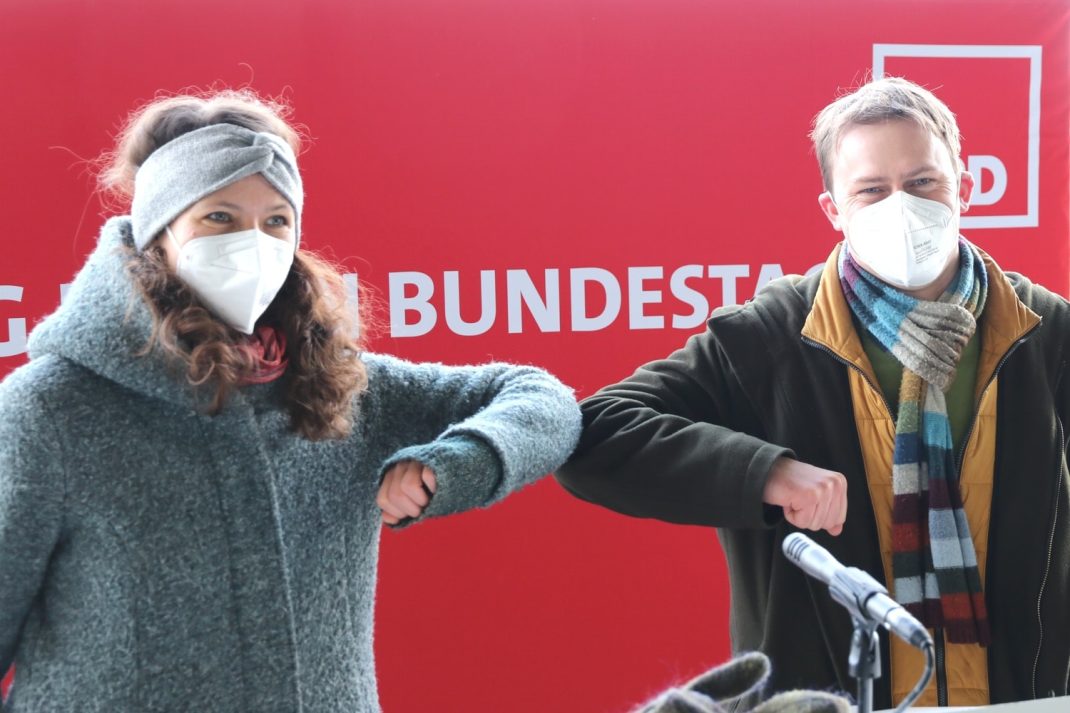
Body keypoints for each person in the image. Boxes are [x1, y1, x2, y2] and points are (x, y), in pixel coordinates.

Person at [0, 90, 581, 712]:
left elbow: (543, 400)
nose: (252, 242)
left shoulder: (335, 385)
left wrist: (460, 462)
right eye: (219, 217)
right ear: (158, 233)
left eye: (276, 220)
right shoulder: (52, 408)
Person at [556, 77, 1069, 709]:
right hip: (830, 695)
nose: (902, 206)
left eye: (923, 182)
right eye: (872, 191)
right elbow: (596, 432)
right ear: (833, 209)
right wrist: (767, 474)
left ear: (963, 185)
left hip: (1020, 696)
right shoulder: (767, 338)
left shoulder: (1045, 331)